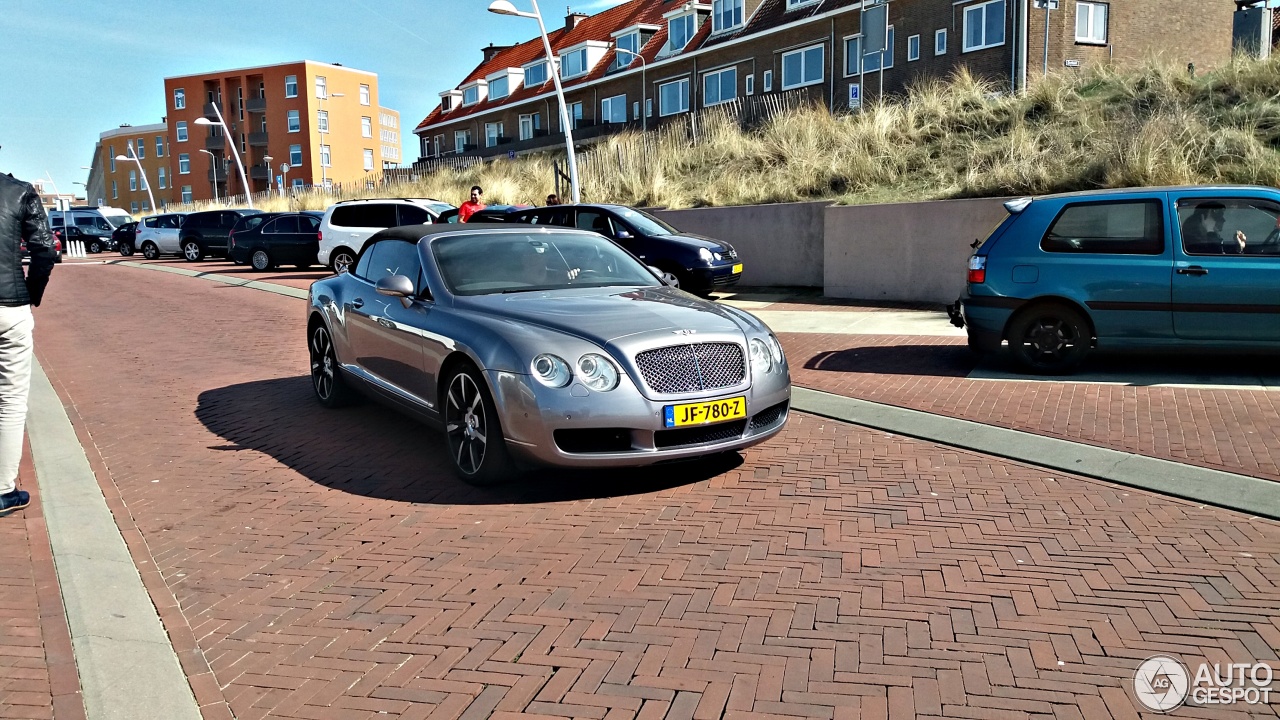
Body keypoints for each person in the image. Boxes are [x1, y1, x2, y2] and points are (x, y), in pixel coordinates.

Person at [0, 173, 55, 517]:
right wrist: (31, 293)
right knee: (10, 399)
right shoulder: (19, 191)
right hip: (10, 307)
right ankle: (4, 489)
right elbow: (45, 249)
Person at [1181, 203, 1246, 254]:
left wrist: (1239, 247)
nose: (1223, 219)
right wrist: (1210, 231)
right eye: (1218, 215)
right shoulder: (1195, 244)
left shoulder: (1208, 240)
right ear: (1203, 218)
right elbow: (1218, 259)